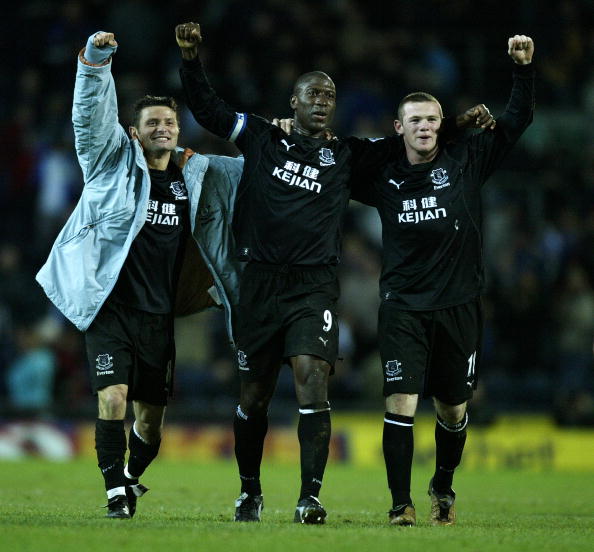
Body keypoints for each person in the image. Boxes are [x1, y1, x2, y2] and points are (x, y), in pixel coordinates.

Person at [174, 21, 494, 524]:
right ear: (293, 102)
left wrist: (454, 124)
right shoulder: (260, 135)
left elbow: (411, 140)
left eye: (329, 95)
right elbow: (209, 110)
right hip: (259, 280)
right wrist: (190, 60)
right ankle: (250, 491)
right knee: (253, 396)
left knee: (312, 378)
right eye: (313, 94)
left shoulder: (346, 154)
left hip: (314, 285)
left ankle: (310, 497)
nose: (323, 101)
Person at [36, 31, 244, 519]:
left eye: (170, 122)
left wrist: (287, 141)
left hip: (158, 315)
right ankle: (114, 494)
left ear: (179, 130)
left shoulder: (197, 175)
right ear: (135, 131)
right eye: (152, 122)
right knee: (113, 398)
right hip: (109, 308)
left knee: (150, 425)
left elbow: (256, 169)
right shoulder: (110, 164)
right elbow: (89, 118)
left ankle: (130, 478)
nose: (163, 128)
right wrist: (95, 61)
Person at [349, 35, 535, 526]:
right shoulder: (382, 177)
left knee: (453, 411)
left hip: (459, 305)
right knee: (401, 403)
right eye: (415, 121)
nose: (425, 128)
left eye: (432, 120)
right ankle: (399, 504)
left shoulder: (467, 161)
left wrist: (522, 70)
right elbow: (338, 168)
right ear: (399, 128)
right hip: (404, 308)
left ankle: (442, 486)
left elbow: (516, 123)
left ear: (440, 125)